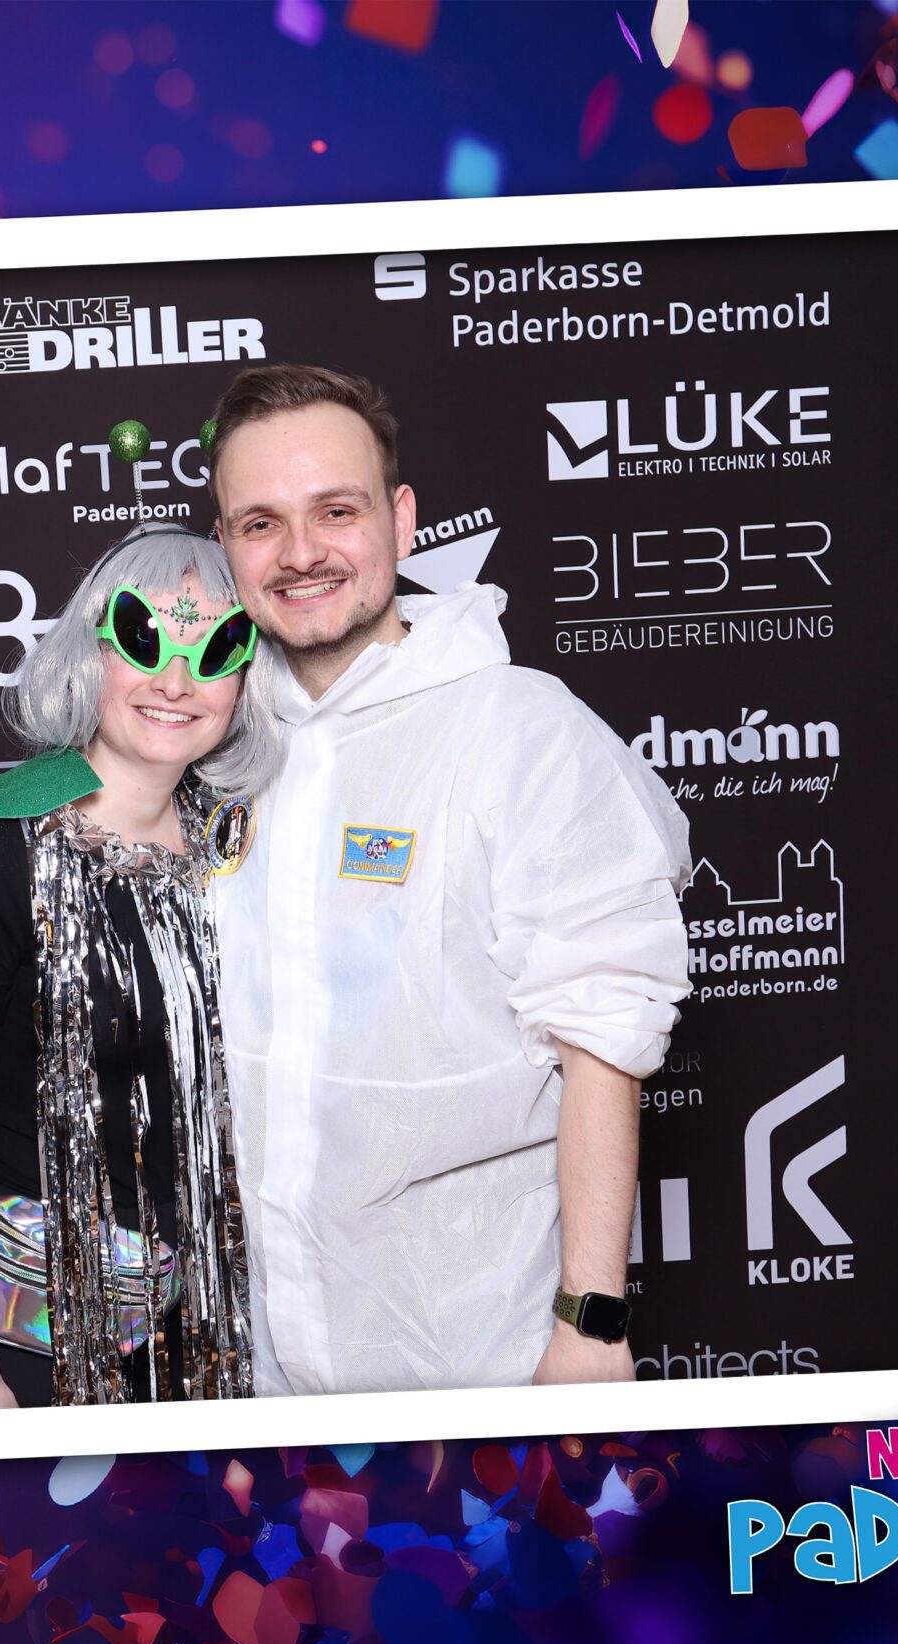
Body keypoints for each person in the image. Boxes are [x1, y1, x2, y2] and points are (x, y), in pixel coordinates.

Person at [204, 363, 692, 1396]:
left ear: (402, 519)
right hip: (255, 1378)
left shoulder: (519, 730)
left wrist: (591, 1324)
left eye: (336, 511)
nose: (300, 553)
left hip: (481, 1359)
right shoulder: (213, 745)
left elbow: (605, 1036)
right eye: (260, 523)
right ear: (226, 548)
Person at [0, 522, 273, 1409]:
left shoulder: (241, 850)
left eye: (215, 650)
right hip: (25, 1344)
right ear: (90, 652)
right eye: (143, 640)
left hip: (205, 1338)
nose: (176, 682)